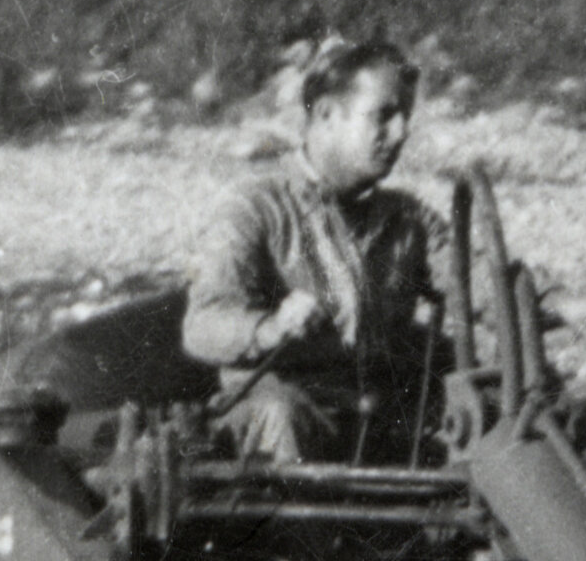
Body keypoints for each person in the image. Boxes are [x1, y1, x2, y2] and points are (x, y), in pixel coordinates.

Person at [183, 39, 446, 463]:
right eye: (384, 115)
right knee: (279, 413)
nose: (401, 133)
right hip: (286, 416)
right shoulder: (255, 206)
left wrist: (554, 302)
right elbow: (201, 324)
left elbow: (476, 274)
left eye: (405, 117)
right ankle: (295, 530)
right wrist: (270, 328)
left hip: (373, 413)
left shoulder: (408, 220)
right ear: (326, 115)